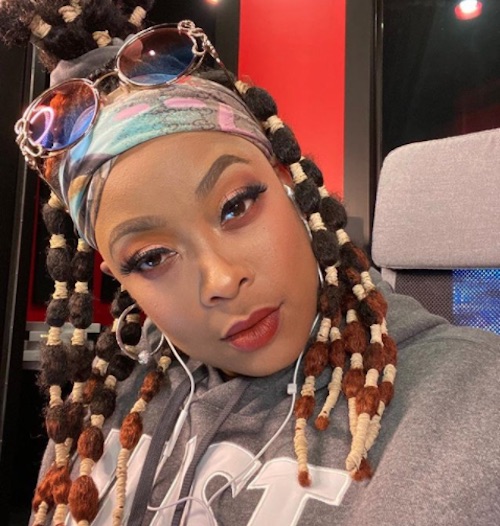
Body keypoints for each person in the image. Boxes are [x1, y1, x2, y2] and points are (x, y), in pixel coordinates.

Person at [2, 1, 500, 525]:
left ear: (289, 184)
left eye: (236, 206)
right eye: (152, 258)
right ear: (120, 281)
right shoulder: (101, 409)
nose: (221, 279)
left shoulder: (466, 400)